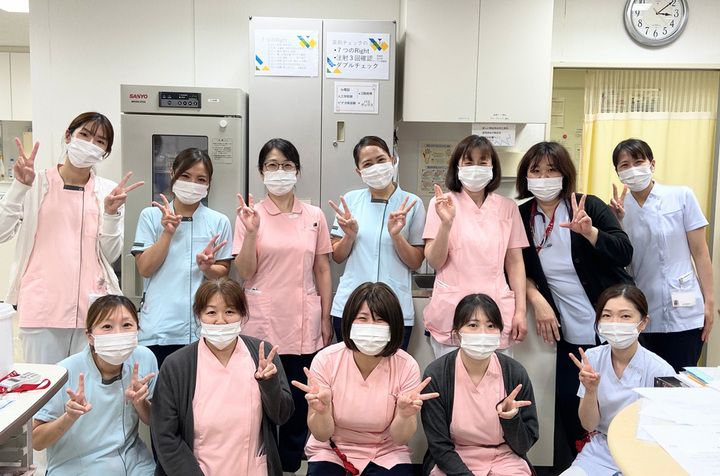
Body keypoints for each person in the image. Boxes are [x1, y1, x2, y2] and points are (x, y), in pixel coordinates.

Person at [515, 141, 634, 471]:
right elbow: (517, 268)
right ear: (526, 177)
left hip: (611, 326)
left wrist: (591, 232)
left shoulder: (588, 205)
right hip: (568, 333)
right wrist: (535, 298)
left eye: (552, 170)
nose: (544, 178)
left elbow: (624, 252)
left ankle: (622, 464)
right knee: (572, 404)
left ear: (565, 174)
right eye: (536, 171)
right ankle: (585, 464)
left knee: (619, 405)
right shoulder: (521, 216)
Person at [0, 112, 143, 364]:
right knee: (46, 384)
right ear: (68, 136)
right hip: (42, 307)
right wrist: (19, 187)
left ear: (105, 152)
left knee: (84, 385)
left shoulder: (108, 191)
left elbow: (110, 254)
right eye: (84, 135)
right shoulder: (35, 182)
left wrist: (111, 214)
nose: (90, 144)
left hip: (92, 310)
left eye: (100, 141)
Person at [234, 138, 333, 473]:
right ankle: (263, 464)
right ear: (261, 172)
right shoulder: (251, 215)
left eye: (287, 165)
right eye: (272, 166)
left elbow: (322, 268)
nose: (280, 172)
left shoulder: (314, 216)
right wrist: (251, 233)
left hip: (304, 320)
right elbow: (244, 271)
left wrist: (326, 317)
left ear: (297, 171)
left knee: (298, 398)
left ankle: (290, 465)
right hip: (263, 320)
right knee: (262, 397)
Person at [292, 282, 438, 476]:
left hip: (386, 450)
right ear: (349, 322)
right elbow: (321, 434)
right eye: (362, 318)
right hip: (332, 449)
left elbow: (400, 438)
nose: (371, 326)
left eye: (380, 320)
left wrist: (404, 415)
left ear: (393, 326)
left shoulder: (406, 365)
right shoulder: (326, 360)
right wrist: (322, 412)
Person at [151, 278, 293, 476]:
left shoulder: (262, 353)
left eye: (229, 312)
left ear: (243, 315)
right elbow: (165, 435)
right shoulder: (177, 365)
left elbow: (282, 415)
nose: (220, 320)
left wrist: (269, 384)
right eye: (211, 313)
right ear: (198, 315)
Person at [609, 138, 713, 372]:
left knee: (680, 380)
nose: (633, 169)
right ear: (618, 173)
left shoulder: (681, 196)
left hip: (685, 313)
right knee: (646, 381)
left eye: (638, 162)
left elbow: (700, 253)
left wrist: (709, 302)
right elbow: (620, 260)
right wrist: (617, 221)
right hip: (641, 312)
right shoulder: (617, 209)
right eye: (624, 165)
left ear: (652, 164)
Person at [423, 135, 528, 357]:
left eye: (483, 162)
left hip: (496, 311)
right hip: (452, 310)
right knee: (450, 375)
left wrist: (520, 311)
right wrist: (446, 224)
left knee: (498, 376)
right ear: (457, 167)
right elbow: (434, 261)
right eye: (468, 162)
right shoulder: (440, 204)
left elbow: (515, 264)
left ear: (492, 167)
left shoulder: (508, 208)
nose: (475, 168)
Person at [32, 295, 158, 475]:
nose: (118, 334)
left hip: (134, 463)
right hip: (78, 466)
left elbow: (155, 421)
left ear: (137, 329)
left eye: (126, 325)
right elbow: (36, 441)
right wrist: (69, 417)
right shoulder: (65, 372)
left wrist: (140, 403)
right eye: (107, 327)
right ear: (90, 336)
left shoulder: (145, 359)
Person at [132, 147, 232, 367]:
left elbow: (223, 274)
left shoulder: (219, 221)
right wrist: (167, 233)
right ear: (172, 173)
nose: (192, 184)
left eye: (200, 179)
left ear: (208, 184)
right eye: (185, 176)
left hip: (203, 329)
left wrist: (207, 268)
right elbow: (144, 269)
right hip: (159, 329)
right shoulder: (151, 216)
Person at [561, 284, 675, 476]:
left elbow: (667, 431)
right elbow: (589, 425)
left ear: (643, 322)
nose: (615, 323)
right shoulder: (592, 358)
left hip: (643, 452)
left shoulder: (660, 370)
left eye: (625, 316)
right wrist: (590, 391)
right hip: (601, 450)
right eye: (607, 315)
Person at [421, 293, 538, 475]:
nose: (483, 333)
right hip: (454, 458)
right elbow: (439, 446)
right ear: (457, 333)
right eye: (473, 325)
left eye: (491, 326)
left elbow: (524, 445)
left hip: (504, 458)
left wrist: (511, 419)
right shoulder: (437, 375)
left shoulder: (514, 373)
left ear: (499, 332)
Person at [329, 136, 426, 350]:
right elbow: (337, 256)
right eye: (367, 164)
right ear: (359, 171)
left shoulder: (412, 204)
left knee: (393, 368)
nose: (376, 167)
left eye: (381, 160)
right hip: (350, 308)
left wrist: (397, 236)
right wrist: (349, 236)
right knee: (347, 368)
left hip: (394, 309)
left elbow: (416, 262)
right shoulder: (350, 201)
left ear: (392, 160)